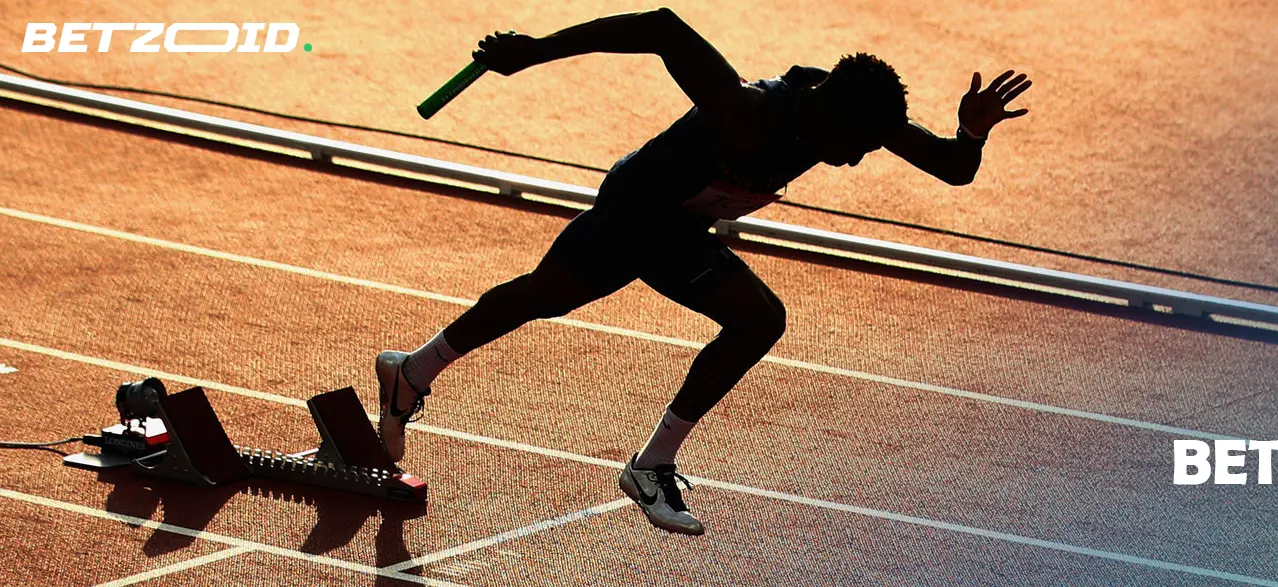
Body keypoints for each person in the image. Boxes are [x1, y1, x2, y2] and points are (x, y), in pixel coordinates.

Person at [373, 8, 1033, 536]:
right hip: (639, 207)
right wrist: (533, 50)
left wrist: (972, 132)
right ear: (830, 114)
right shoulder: (745, 110)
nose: (858, 160)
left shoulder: (856, 114)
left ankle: (414, 371)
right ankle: (642, 462)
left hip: (680, 227)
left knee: (565, 297)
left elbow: (952, 168)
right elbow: (660, 26)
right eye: (857, 147)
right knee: (580, 299)